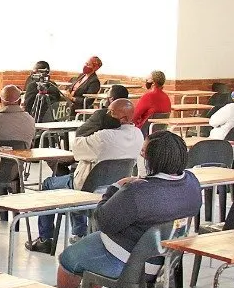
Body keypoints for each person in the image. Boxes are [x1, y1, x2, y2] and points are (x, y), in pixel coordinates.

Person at [55, 131, 202, 288]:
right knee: (93, 248)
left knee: (68, 259)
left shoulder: (138, 191)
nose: (141, 156)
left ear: (155, 159)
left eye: (143, 152)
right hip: (167, 260)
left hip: (131, 263)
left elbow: (102, 221)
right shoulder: (192, 182)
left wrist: (116, 187)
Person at [26, 98, 145, 253]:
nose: (106, 115)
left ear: (123, 118)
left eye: (110, 112)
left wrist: (94, 122)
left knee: (50, 183)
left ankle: (45, 238)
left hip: (87, 188)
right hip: (114, 190)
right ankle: (79, 233)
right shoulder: (138, 135)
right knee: (75, 178)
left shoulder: (103, 137)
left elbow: (76, 147)